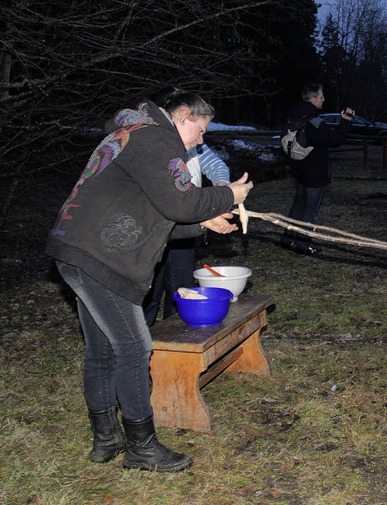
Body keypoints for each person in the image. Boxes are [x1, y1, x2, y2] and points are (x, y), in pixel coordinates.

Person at [46, 89, 253, 472]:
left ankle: (107, 441)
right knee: (134, 347)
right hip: (99, 255)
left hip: (78, 247)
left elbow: (155, 215)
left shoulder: (134, 133)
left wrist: (203, 221)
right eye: (201, 130)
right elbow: (178, 203)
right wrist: (228, 194)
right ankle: (142, 447)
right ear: (184, 115)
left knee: (103, 349)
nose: (201, 140)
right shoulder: (156, 136)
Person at [143, 142, 231, 326]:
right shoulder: (153, 142)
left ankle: (176, 341)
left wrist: (222, 191)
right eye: (199, 130)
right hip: (152, 230)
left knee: (182, 290)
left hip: (185, 230)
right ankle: (142, 344)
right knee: (149, 293)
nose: (201, 138)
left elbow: (216, 165)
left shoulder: (195, 143)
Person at [280, 83, 354, 255]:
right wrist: (346, 122)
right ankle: (304, 243)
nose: (323, 99)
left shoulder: (293, 116)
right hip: (314, 171)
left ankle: (288, 238)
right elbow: (335, 140)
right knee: (310, 209)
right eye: (321, 96)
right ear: (313, 98)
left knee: (298, 204)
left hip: (298, 169)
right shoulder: (315, 121)